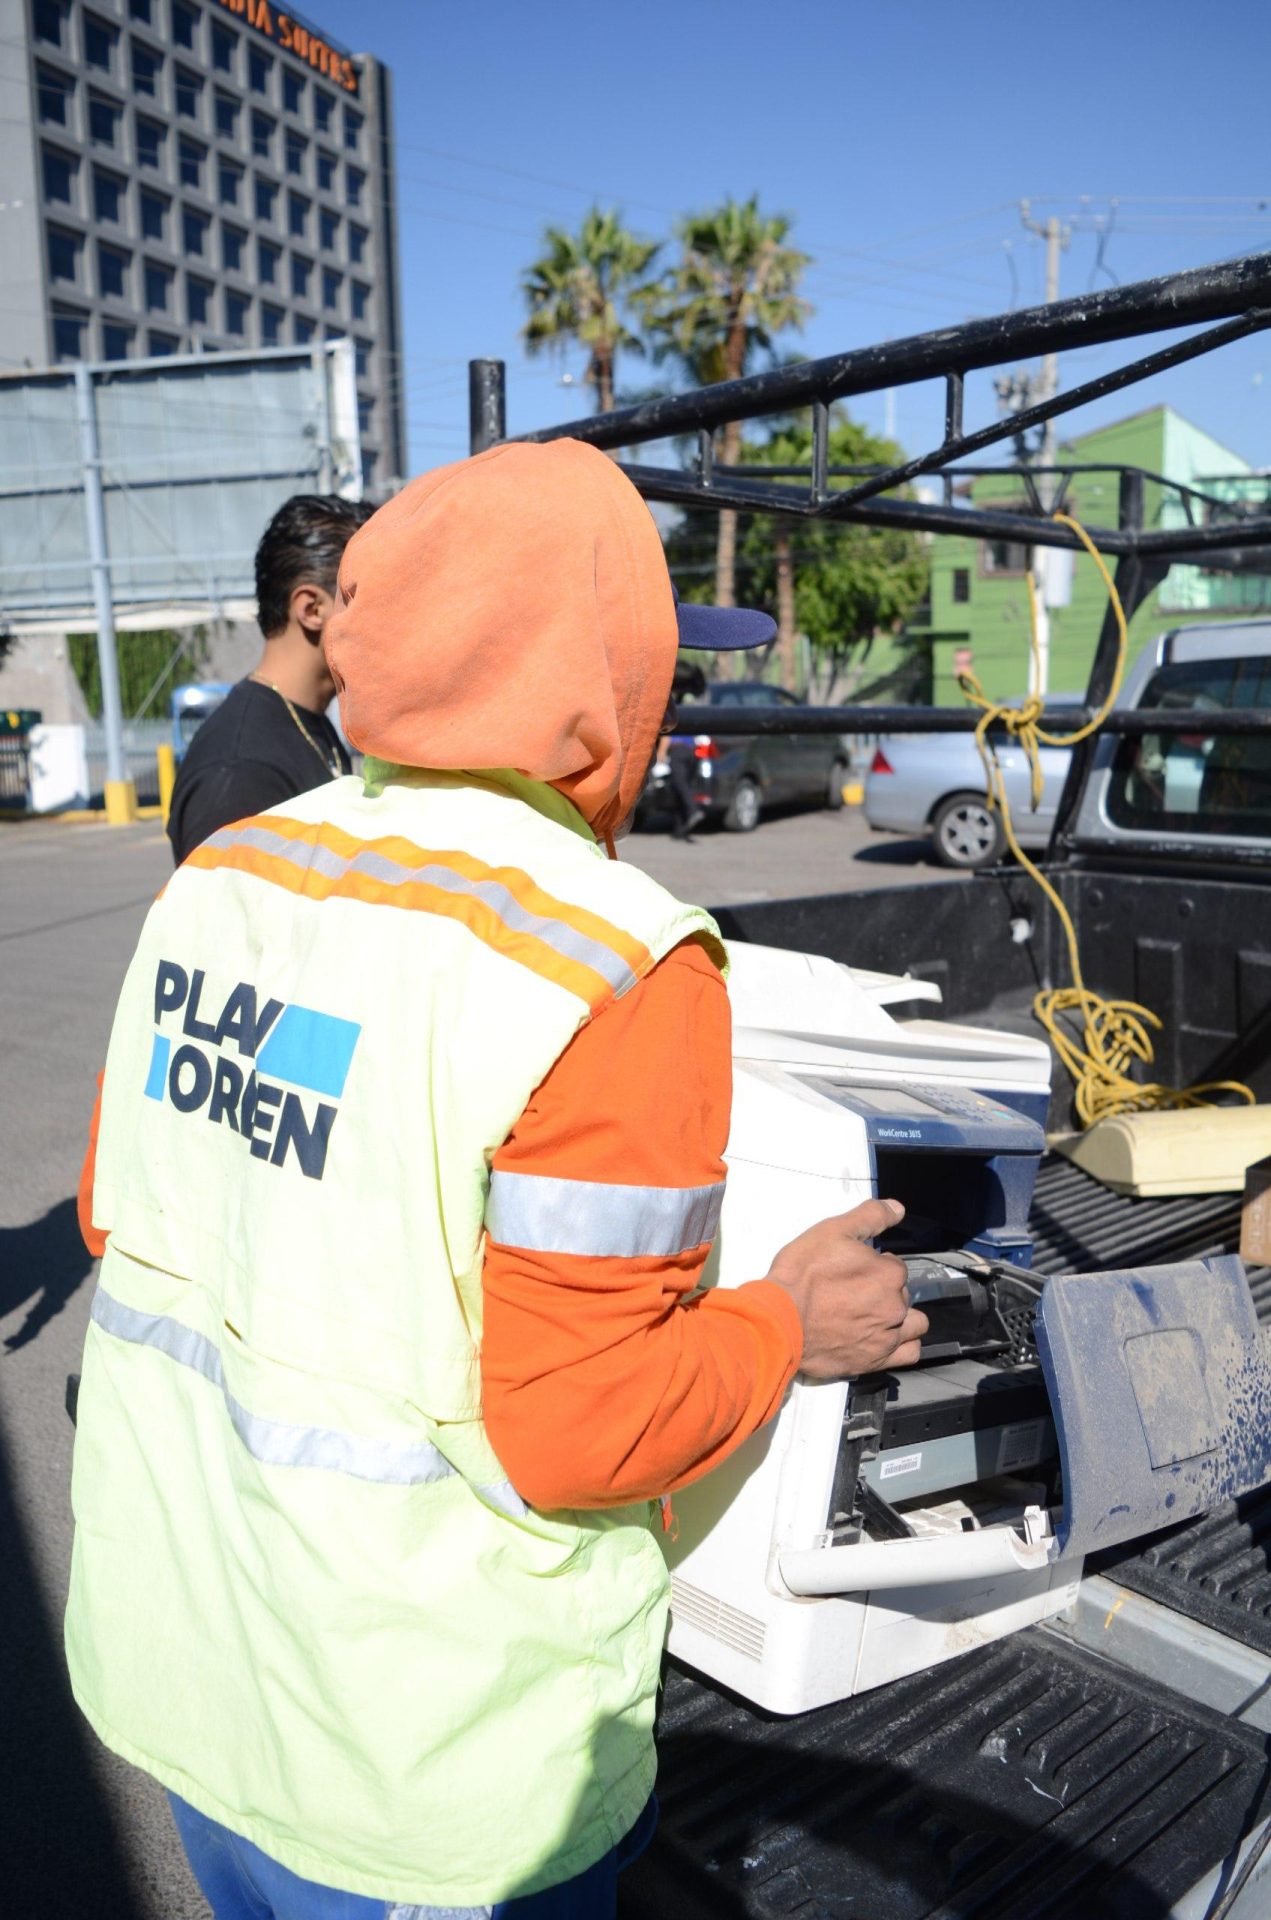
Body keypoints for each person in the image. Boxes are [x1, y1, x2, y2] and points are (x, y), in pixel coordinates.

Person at [67, 440, 926, 1919]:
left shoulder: (228, 877)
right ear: (607, 680)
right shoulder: (602, 960)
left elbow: (120, 1216)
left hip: (190, 1686)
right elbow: (582, 1430)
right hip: (426, 1780)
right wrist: (788, 1321)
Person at [166, 493, 374, 865]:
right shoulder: (240, 772)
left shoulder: (311, 726)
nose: (389, 618)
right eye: (371, 598)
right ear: (312, 609)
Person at [656, 659, 709, 841]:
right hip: (691, 750)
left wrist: (661, 752)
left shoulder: (673, 702)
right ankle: (680, 829)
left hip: (678, 751)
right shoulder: (688, 702)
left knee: (680, 785)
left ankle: (693, 811)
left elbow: (668, 732)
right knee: (681, 786)